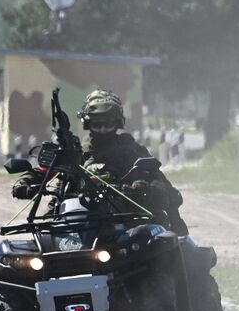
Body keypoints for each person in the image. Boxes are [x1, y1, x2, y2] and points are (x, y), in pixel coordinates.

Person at [13, 89, 189, 235]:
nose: (103, 129)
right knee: (41, 242)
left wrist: (145, 189)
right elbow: (43, 170)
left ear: (118, 124)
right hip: (75, 222)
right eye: (98, 124)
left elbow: (168, 192)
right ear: (87, 124)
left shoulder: (131, 151)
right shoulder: (74, 151)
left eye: (108, 124)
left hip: (125, 226)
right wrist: (25, 183)